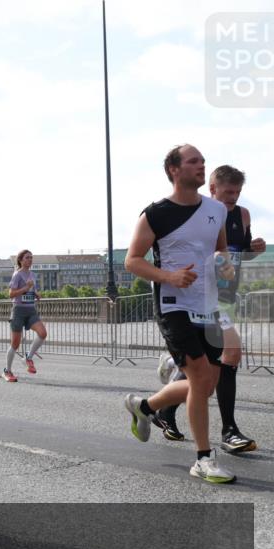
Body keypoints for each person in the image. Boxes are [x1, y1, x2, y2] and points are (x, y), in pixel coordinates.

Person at [122, 144, 237, 484]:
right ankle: (203, 458)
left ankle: (144, 407)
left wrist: (226, 265)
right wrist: (170, 276)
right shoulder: (155, 214)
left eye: (203, 160)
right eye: (193, 161)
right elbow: (132, 260)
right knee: (200, 381)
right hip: (175, 305)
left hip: (209, 304)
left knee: (205, 385)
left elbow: (220, 250)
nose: (202, 165)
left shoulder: (216, 209)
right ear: (174, 169)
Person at [152, 165, 266, 453]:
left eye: (238, 193)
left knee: (206, 372)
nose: (233, 199)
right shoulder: (202, 214)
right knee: (230, 355)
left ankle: (160, 407)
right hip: (199, 298)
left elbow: (234, 255)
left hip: (224, 297)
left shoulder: (241, 215)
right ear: (212, 189)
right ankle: (228, 431)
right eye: (228, 192)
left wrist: (253, 250)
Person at [3, 250, 48, 381]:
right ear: (21, 260)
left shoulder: (33, 275)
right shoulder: (17, 275)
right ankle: (7, 371)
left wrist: (35, 293)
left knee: (42, 333)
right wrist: (25, 288)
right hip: (18, 311)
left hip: (31, 310)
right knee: (15, 344)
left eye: (31, 258)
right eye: (27, 258)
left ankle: (28, 357)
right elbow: (11, 294)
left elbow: (31, 290)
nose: (30, 260)